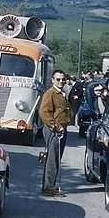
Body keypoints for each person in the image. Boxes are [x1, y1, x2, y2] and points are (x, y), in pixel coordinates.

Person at [39, 69, 71, 197]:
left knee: (56, 158)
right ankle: (49, 187)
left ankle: (49, 185)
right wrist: (56, 126)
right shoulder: (50, 93)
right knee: (52, 159)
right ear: (52, 80)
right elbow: (44, 112)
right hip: (54, 130)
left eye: (63, 79)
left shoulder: (61, 93)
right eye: (58, 79)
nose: (61, 81)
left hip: (61, 129)